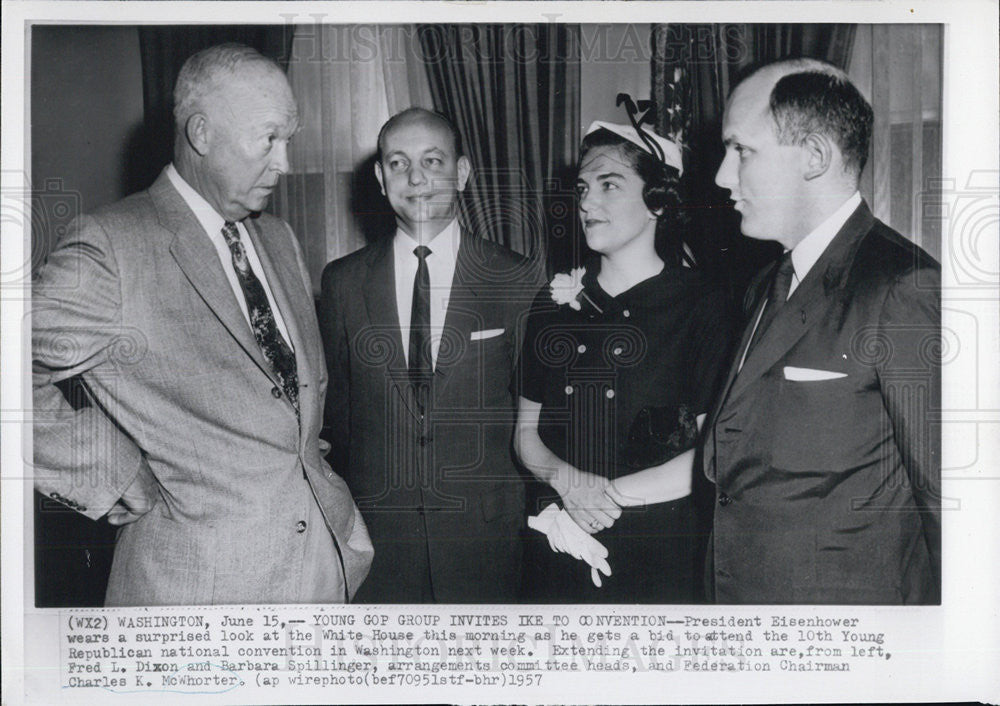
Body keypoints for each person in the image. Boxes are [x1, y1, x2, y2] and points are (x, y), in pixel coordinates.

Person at [32, 43, 373, 606]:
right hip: (199, 595)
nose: (285, 162)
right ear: (201, 134)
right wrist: (109, 471)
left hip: (324, 575)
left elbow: (287, 414)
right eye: (269, 139)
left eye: (289, 139)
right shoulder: (112, 246)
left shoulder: (279, 240)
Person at [703, 58, 941, 604]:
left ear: (814, 156)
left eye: (741, 149)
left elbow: (953, 511)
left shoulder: (905, 287)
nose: (721, 174)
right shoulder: (763, 284)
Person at [318, 107, 542, 603]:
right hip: (378, 543)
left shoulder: (517, 278)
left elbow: (536, 417)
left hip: (486, 542)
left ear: (461, 173)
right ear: (379, 178)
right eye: (398, 163)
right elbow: (340, 418)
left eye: (432, 161)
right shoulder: (342, 282)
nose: (416, 177)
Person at [514, 119, 732, 603]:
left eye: (609, 186)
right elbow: (525, 434)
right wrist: (566, 483)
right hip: (557, 543)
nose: (587, 203)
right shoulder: (551, 305)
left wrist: (599, 499)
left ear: (658, 201)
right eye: (583, 188)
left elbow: (713, 454)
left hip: (661, 554)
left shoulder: (703, 305)